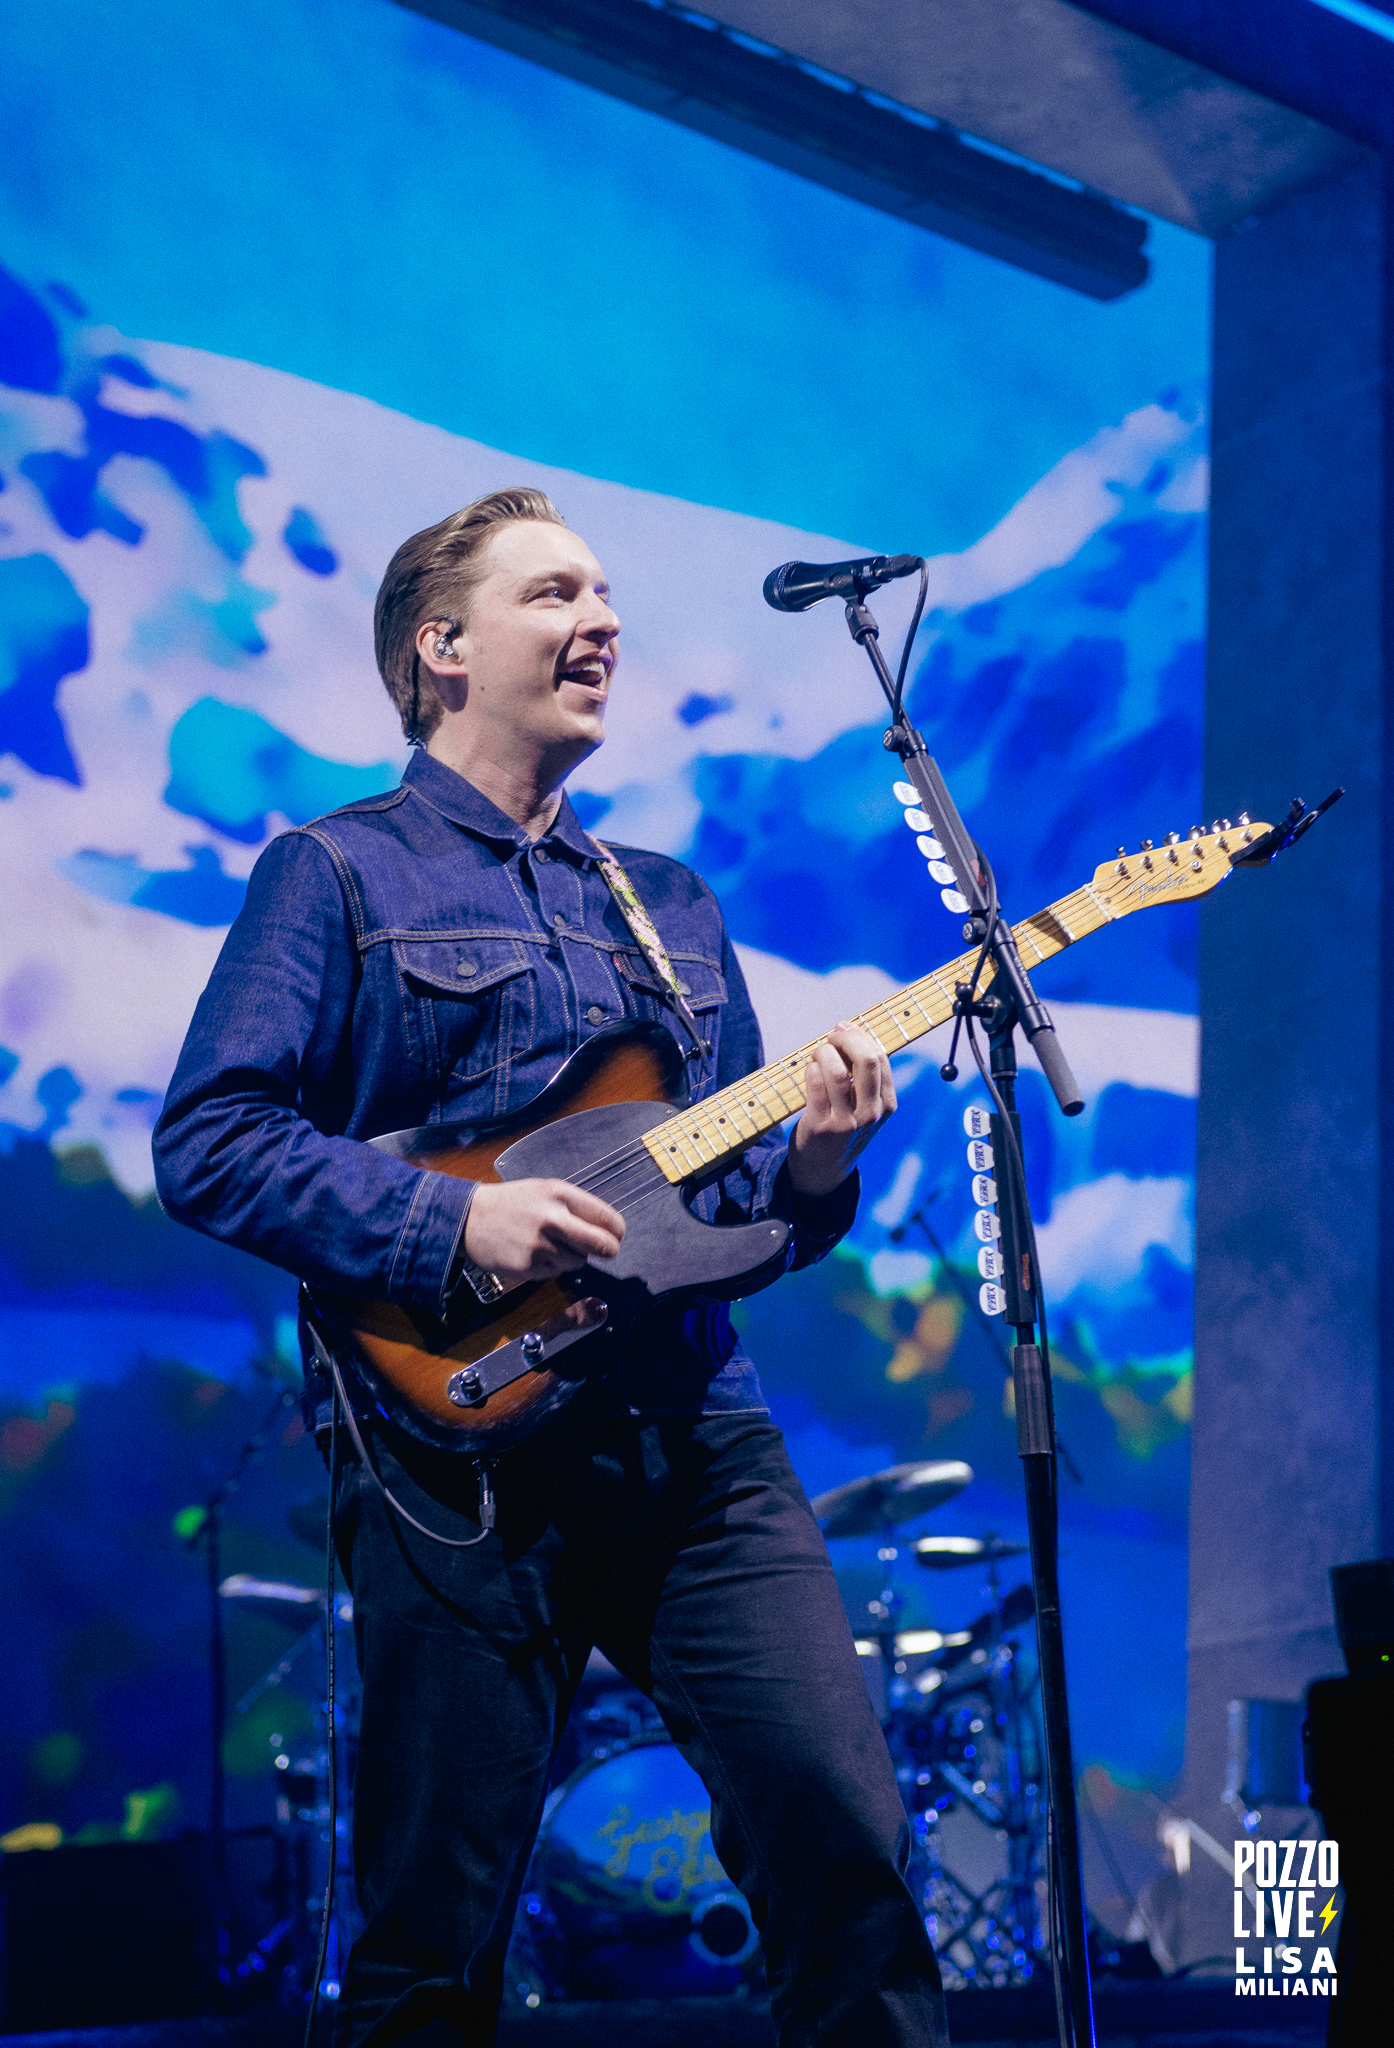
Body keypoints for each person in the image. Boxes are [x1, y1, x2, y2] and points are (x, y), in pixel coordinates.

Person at [153, 488, 949, 2048]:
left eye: (607, 594)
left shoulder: (670, 910)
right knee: (430, 1943)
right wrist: (452, 1223)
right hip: (459, 1461)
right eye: (554, 593)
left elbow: (720, 1218)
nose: (602, 620)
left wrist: (809, 1172)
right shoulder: (336, 875)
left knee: (845, 1846)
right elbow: (212, 1140)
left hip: (692, 1434)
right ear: (440, 647)